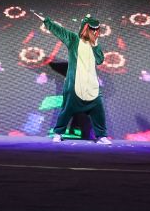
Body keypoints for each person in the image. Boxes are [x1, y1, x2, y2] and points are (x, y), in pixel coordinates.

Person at [32, 11, 111, 145]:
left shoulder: (94, 45)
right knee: (67, 110)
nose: (94, 33)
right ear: (86, 29)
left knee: (98, 111)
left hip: (91, 86)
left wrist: (96, 45)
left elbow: (100, 60)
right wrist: (47, 21)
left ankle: (101, 136)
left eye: (96, 30)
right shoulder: (73, 40)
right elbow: (59, 31)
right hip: (75, 85)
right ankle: (58, 133)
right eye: (92, 29)